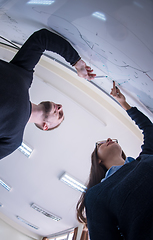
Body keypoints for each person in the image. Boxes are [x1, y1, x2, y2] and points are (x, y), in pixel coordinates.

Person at [0, 28, 96, 160]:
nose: (60, 107)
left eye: (60, 115)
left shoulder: (13, 140)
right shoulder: (24, 75)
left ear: (45, 126)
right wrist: (77, 62)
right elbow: (41, 39)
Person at [76, 81, 153, 240]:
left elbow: (149, 130)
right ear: (97, 161)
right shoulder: (96, 195)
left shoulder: (144, 158)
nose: (109, 139)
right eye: (101, 144)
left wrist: (123, 103)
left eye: (111, 139)